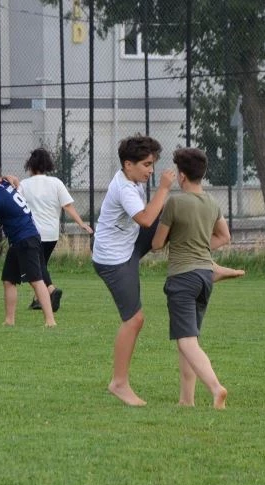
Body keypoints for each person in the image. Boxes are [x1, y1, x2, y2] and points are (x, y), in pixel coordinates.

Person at [152, 148, 242, 410]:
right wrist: (200, 248)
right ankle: (186, 400)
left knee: (186, 341)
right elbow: (224, 236)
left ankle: (216, 388)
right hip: (204, 276)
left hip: (182, 277)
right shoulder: (212, 202)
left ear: (181, 176)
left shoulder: (175, 203)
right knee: (188, 340)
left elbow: (157, 244)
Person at [92, 135, 175, 406]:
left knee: (174, 214)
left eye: (153, 164)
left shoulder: (133, 180)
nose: (151, 170)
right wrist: (164, 188)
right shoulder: (125, 188)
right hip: (114, 259)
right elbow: (146, 219)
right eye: (146, 164)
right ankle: (118, 383)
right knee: (134, 320)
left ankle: (202, 264)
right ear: (128, 164)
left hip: (128, 246)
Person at [0, 158, 57, 328]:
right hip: (21, 240)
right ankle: (9, 321)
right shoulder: (4, 184)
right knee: (9, 280)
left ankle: (50, 321)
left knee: (36, 280)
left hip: (25, 239)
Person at [19, 147, 93, 312]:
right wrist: (81, 223)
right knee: (41, 264)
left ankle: (51, 290)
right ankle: (38, 299)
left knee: (35, 266)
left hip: (32, 233)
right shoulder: (56, 183)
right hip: (52, 234)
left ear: (30, 165)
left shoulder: (24, 185)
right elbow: (67, 206)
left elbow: (17, 206)